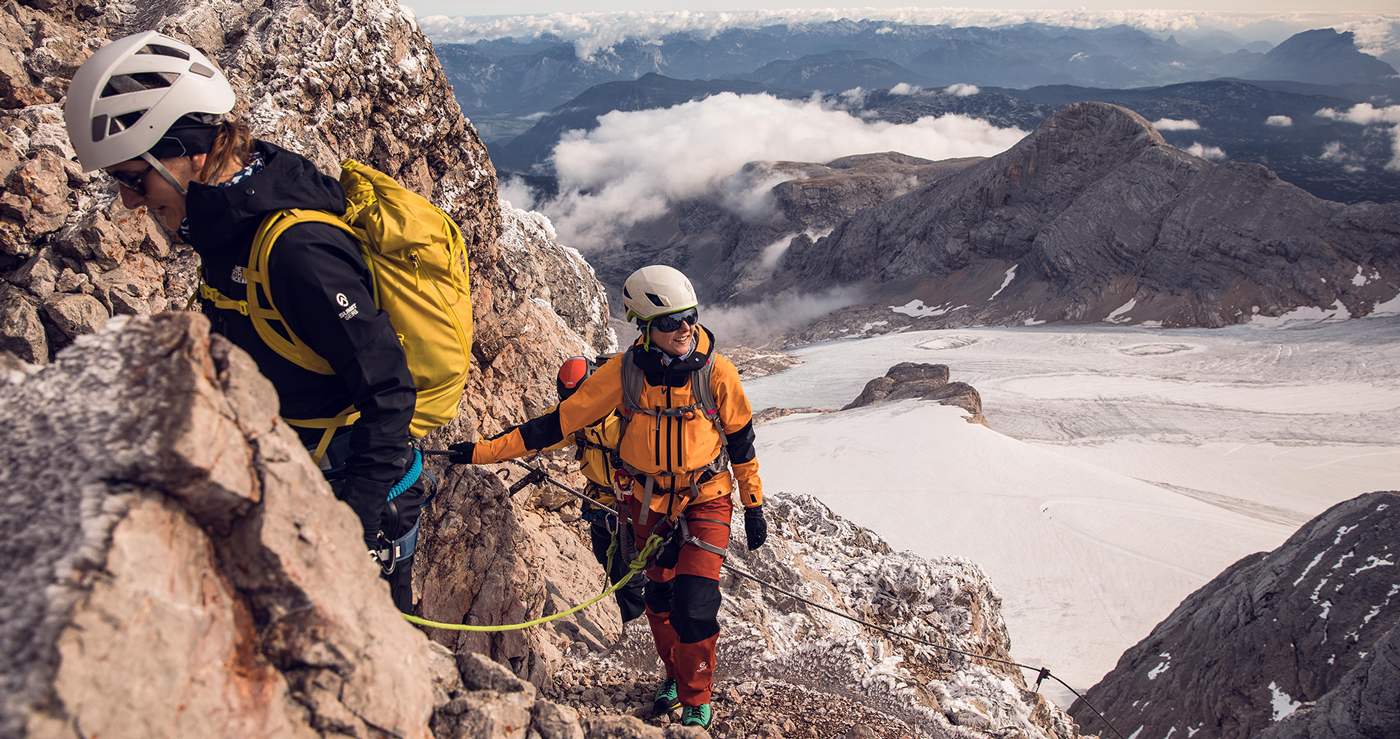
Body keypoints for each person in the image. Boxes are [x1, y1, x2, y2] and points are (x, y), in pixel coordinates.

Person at [63, 31, 426, 611]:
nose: (130, 200)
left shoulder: (297, 251)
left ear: (188, 152)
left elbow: (388, 390)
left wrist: (352, 527)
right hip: (302, 479)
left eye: (134, 177)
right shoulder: (225, 229)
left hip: (354, 492)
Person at [449, 265, 768, 730]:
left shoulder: (717, 373)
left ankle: (695, 698)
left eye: (691, 317)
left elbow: (741, 441)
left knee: (695, 603)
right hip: (647, 503)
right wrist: (482, 452)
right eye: (670, 322)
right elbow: (556, 425)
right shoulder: (624, 374)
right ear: (643, 326)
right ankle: (673, 676)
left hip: (705, 497)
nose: (685, 329)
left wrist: (754, 504)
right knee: (660, 596)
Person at [551, 356, 647, 624]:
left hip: (631, 509)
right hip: (601, 509)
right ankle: (640, 624)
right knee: (612, 565)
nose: (579, 409)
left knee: (629, 574)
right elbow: (540, 434)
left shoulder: (628, 420)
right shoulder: (577, 423)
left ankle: (642, 629)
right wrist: (487, 450)